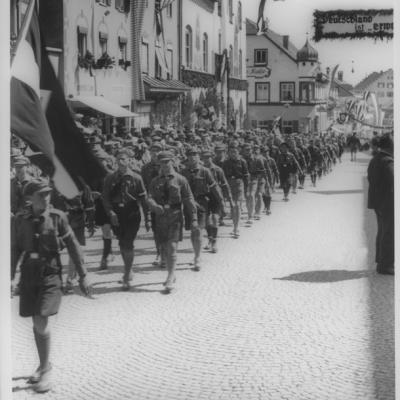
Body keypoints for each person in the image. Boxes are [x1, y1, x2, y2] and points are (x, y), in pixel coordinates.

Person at [11, 179, 92, 393]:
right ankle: (43, 364)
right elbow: (14, 249)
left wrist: (83, 275)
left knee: (40, 319)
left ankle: (46, 371)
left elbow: (73, 246)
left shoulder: (57, 217)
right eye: (41, 195)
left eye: (47, 194)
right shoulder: (20, 219)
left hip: (50, 273)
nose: (46, 198)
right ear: (30, 197)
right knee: (35, 319)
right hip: (28, 274)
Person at [147, 151, 198, 292]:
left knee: (172, 247)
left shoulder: (181, 179)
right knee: (164, 248)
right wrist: (153, 205)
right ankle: (171, 272)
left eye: (167, 161)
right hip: (161, 217)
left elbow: (189, 199)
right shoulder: (155, 181)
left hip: (175, 216)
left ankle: (170, 277)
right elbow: (149, 197)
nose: (164, 164)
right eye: (162, 162)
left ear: (173, 161)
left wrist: (194, 219)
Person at [102, 148, 151, 290]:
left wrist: (147, 218)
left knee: (128, 243)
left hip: (132, 213)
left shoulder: (136, 178)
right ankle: (128, 270)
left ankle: (127, 276)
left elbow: (143, 197)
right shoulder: (110, 178)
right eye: (118, 159)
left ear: (129, 160)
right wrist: (110, 212)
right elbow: (105, 198)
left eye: (124, 159)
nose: (121, 161)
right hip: (116, 214)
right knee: (121, 242)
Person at [180, 147, 224, 270]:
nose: (192, 157)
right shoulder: (183, 173)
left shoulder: (205, 171)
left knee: (199, 230)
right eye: (190, 154)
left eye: (195, 154)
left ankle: (197, 258)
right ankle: (196, 254)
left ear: (199, 157)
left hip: (201, 203)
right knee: (193, 230)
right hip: (188, 204)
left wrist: (222, 203)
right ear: (187, 157)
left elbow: (214, 187)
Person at [53, 184, 95, 293]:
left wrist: (91, 223)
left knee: (76, 249)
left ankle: (69, 279)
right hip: (61, 222)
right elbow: (51, 203)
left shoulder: (83, 186)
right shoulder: (57, 183)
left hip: (77, 222)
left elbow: (89, 205)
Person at [367, 133, 394, 275]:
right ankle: (386, 265)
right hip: (388, 201)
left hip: (378, 201)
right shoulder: (388, 160)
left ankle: (381, 262)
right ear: (390, 147)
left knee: (383, 231)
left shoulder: (376, 158)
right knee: (390, 233)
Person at [201, 149, 234, 253]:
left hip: (216, 196)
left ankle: (214, 242)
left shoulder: (218, 170)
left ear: (212, 157)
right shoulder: (200, 170)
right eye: (204, 157)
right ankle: (210, 239)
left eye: (208, 157)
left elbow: (225, 184)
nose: (206, 159)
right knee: (206, 220)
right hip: (204, 196)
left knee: (215, 218)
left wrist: (230, 199)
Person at [141, 142, 164, 266]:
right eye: (153, 150)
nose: (155, 153)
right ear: (149, 153)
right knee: (156, 229)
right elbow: (143, 186)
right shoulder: (145, 168)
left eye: (158, 150)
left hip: (165, 200)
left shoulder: (166, 165)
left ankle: (166, 253)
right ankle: (159, 253)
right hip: (152, 200)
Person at [222, 143, 249, 238]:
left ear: (238, 152)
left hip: (239, 183)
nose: (233, 154)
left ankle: (236, 228)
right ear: (228, 152)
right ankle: (234, 226)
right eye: (231, 152)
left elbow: (246, 176)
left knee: (237, 205)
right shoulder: (225, 162)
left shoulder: (242, 162)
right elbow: (223, 176)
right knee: (232, 206)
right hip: (229, 184)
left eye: (235, 152)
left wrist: (247, 189)